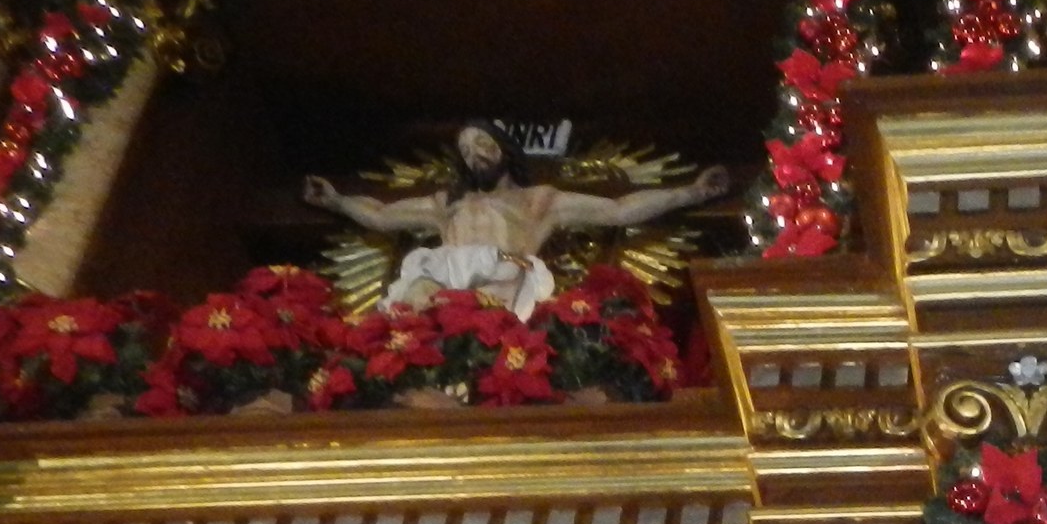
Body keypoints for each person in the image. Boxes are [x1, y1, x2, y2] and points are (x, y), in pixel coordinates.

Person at [304, 120, 731, 320]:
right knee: (409, 307)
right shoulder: (445, 204)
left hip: (503, 278)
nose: (474, 153)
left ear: (504, 148)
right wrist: (338, 202)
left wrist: (689, 192)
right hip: (443, 280)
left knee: (489, 331)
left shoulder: (538, 202)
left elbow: (618, 211)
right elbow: (380, 216)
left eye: (482, 143)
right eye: (466, 149)